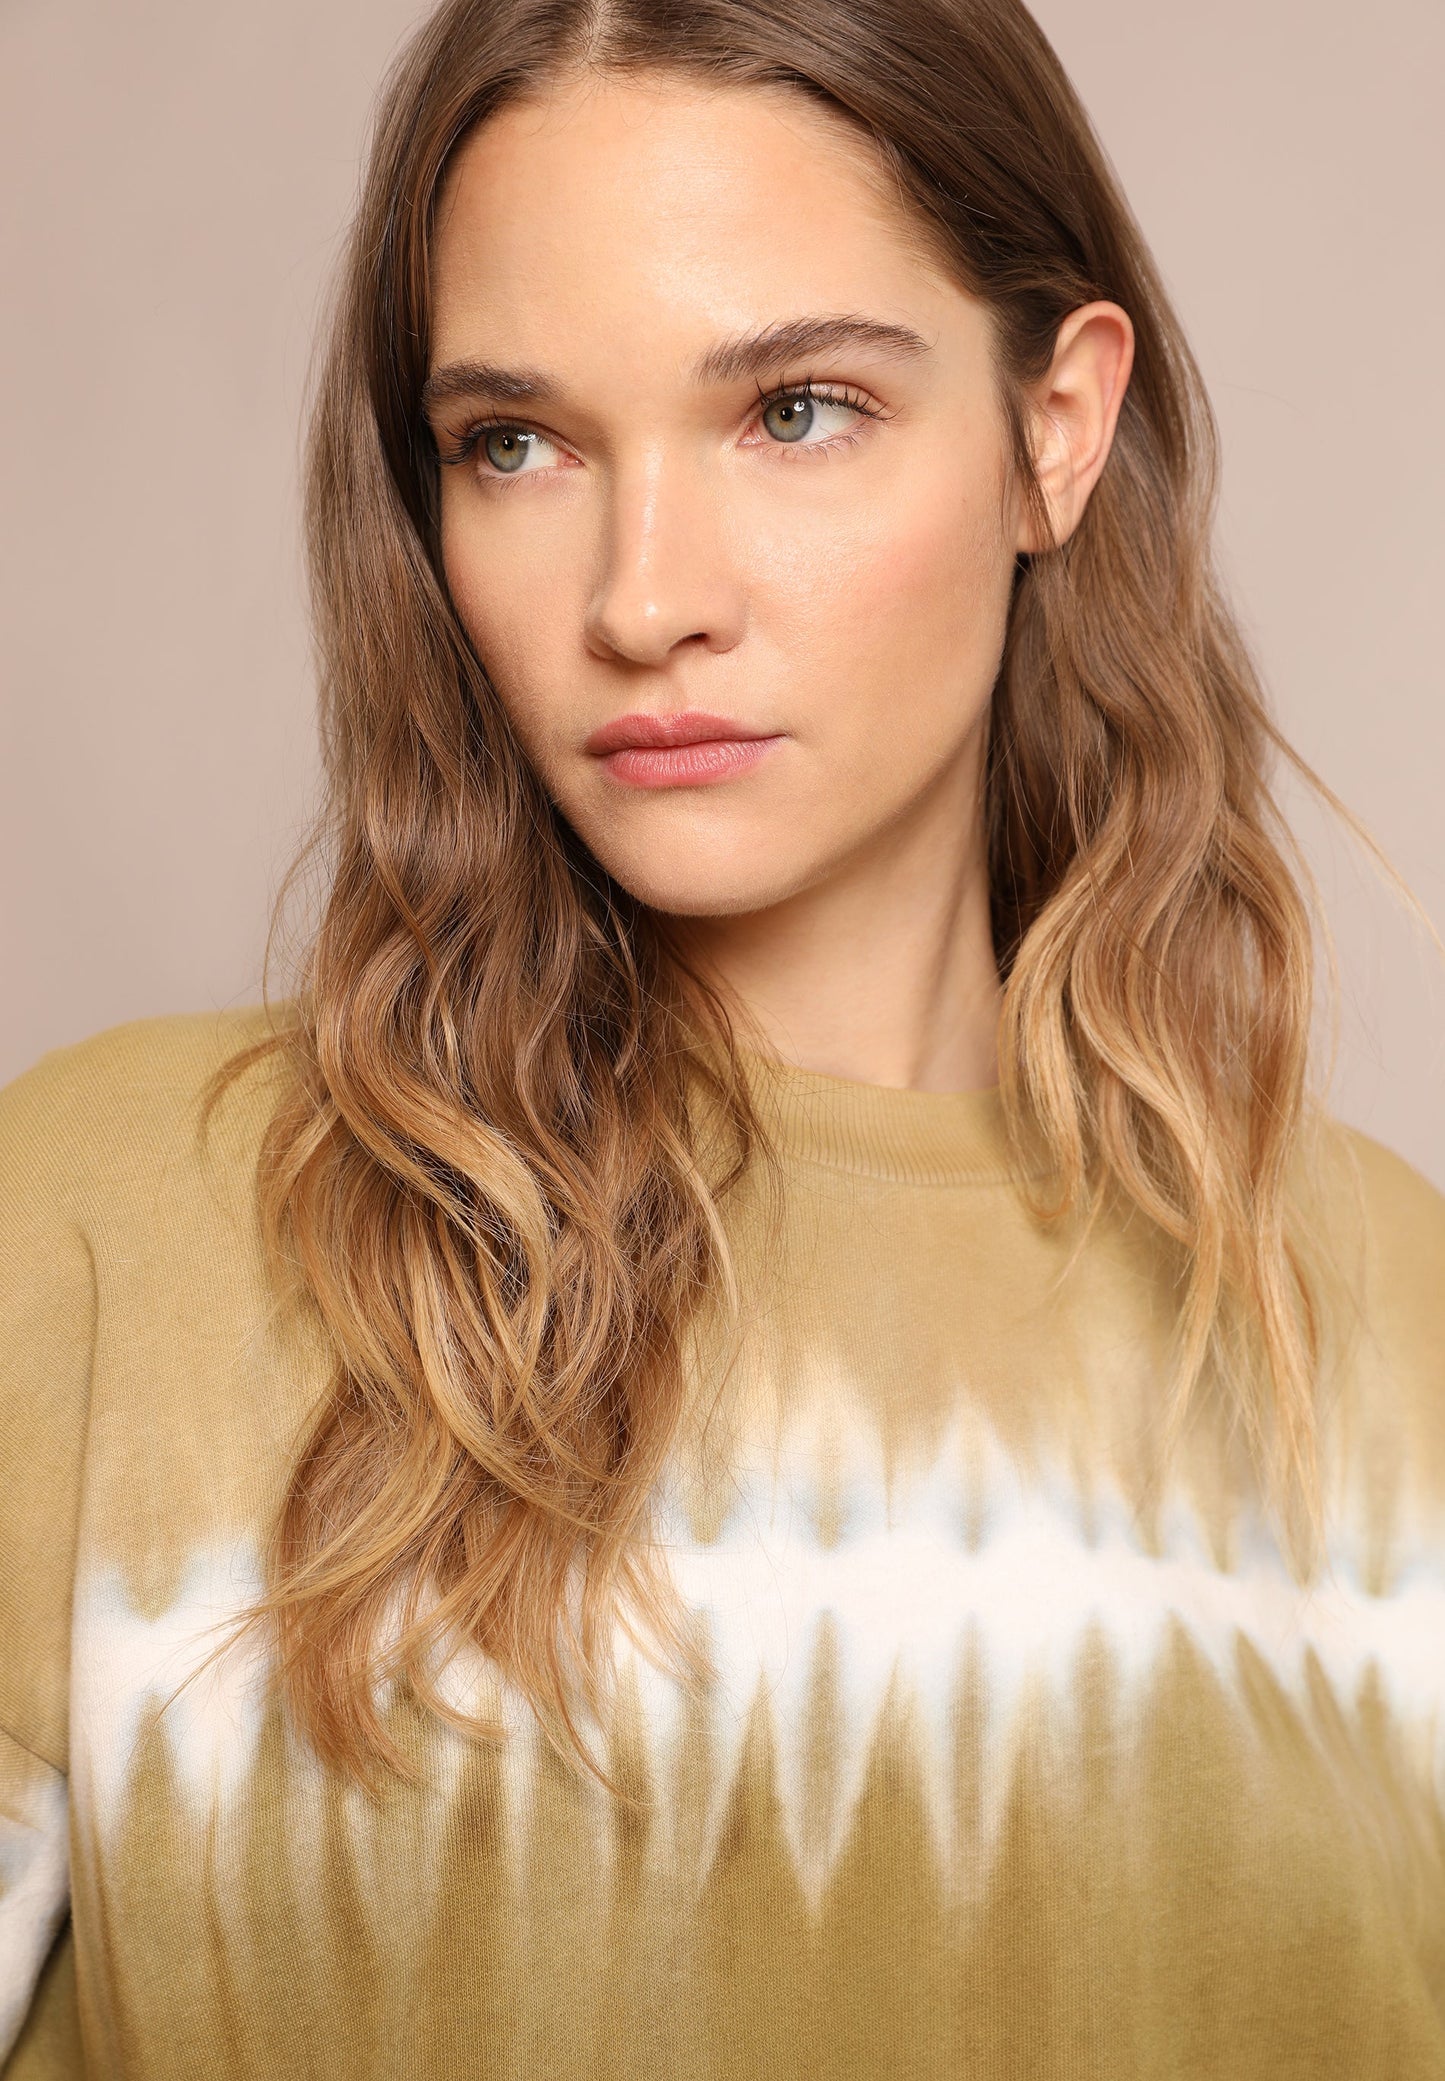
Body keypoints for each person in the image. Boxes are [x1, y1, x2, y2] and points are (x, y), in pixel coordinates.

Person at [2, 0, 1442, 2071]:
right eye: (516, 444)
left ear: (1055, 429)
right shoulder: (100, 1245)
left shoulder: (1388, 1337)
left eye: (794, 411)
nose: (640, 597)